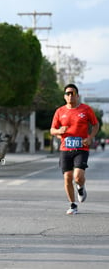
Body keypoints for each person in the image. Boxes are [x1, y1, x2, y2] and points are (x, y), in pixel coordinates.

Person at [50, 84, 99, 215]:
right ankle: (73, 205)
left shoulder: (86, 109)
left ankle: (81, 187)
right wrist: (59, 130)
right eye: (67, 93)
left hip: (81, 148)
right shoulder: (60, 111)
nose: (70, 95)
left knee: (77, 177)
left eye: (72, 93)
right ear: (64, 96)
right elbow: (52, 130)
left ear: (77, 96)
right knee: (67, 177)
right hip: (65, 149)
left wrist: (90, 137)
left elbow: (95, 125)